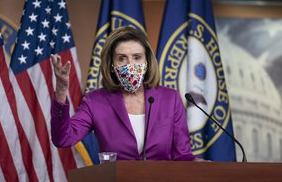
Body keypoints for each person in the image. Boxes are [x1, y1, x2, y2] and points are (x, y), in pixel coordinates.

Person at [50, 26, 198, 161]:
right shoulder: (95, 101)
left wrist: (200, 164)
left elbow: (182, 156)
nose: (130, 64)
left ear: (147, 63)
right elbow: (63, 138)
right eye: (122, 58)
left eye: (137, 57)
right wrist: (62, 90)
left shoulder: (170, 99)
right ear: (112, 65)